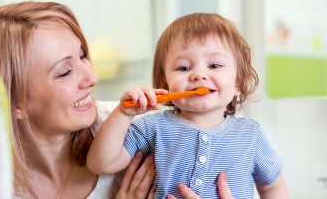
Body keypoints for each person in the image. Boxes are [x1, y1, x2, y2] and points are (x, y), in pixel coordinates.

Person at [0, 1, 233, 199]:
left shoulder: (138, 130)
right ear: (13, 102)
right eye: (65, 72)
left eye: (83, 56)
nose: (92, 78)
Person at [87, 13, 289, 198]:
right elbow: (101, 163)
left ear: (238, 83)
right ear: (165, 84)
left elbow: (273, 186)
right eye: (184, 67)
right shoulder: (151, 127)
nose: (198, 75)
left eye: (214, 65)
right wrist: (123, 114)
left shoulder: (251, 135)